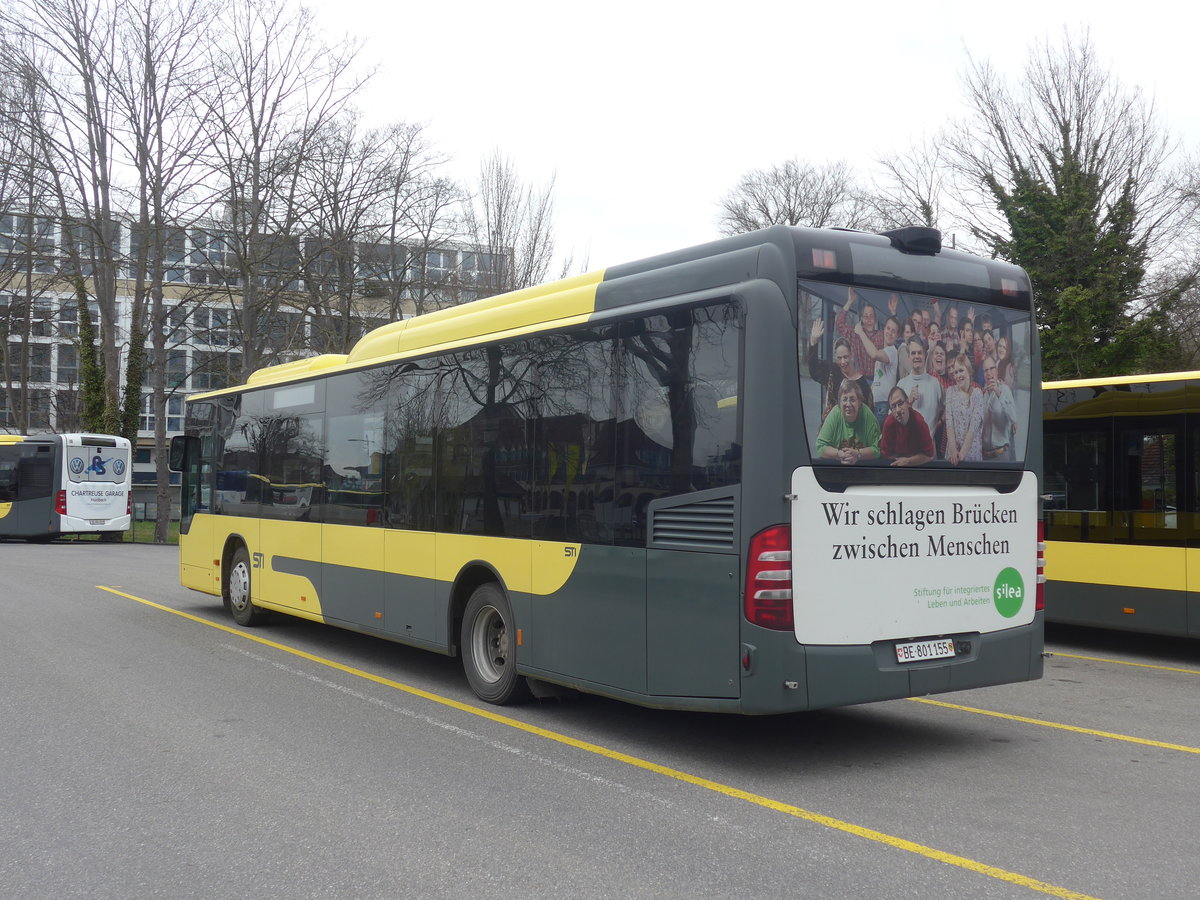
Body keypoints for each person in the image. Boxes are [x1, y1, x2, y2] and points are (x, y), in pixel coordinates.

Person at [809, 319, 872, 419]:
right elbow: (814, 371)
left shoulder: (862, 383)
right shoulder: (832, 371)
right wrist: (814, 342)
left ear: (851, 355)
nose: (843, 362)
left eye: (845, 357)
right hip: (834, 424)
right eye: (839, 358)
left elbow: (869, 411)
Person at [815, 379, 881, 464]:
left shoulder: (867, 415)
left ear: (859, 402)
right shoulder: (835, 414)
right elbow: (820, 446)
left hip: (862, 465)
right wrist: (838, 454)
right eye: (844, 399)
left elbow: (878, 449)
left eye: (852, 400)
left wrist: (858, 454)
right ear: (839, 403)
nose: (848, 404)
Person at [897, 336, 944, 451]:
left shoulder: (935, 383)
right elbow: (893, 419)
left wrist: (939, 423)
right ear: (909, 357)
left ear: (924, 355)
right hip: (906, 449)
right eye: (913, 353)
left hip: (929, 450)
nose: (917, 356)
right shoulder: (901, 384)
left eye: (919, 353)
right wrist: (908, 402)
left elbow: (948, 409)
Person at [857, 314, 900, 421]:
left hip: (884, 404)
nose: (889, 332)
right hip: (876, 403)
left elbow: (874, 354)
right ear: (884, 329)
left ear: (897, 336)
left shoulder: (892, 351)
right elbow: (879, 378)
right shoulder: (884, 351)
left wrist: (861, 332)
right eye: (888, 328)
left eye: (893, 331)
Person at [944, 351, 984, 465]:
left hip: (971, 456)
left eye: (961, 370)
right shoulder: (950, 392)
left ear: (969, 371)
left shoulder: (977, 394)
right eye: (955, 372)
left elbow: (973, 428)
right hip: (953, 456)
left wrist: (961, 455)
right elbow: (949, 424)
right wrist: (954, 452)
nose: (958, 375)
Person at [834, 287, 882, 378]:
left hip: (878, 379)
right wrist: (849, 301)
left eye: (871, 316)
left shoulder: (881, 336)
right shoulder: (856, 335)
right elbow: (840, 324)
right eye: (865, 316)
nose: (868, 320)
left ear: (875, 320)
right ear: (862, 319)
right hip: (861, 379)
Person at [880, 386, 933, 467]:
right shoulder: (888, 423)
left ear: (908, 402)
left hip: (918, 466)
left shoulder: (919, 421)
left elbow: (929, 456)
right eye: (893, 406)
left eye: (900, 403)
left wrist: (908, 461)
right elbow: (885, 454)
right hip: (896, 465)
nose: (898, 410)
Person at [981, 355, 1019, 461]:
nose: (989, 373)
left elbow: (1014, 418)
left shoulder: (1005, 390)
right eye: (986, 370)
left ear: (997, 371)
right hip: (984, 456)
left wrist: (998, 393)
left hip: (1002, 455)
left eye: (991, 368)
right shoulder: (982, 394)